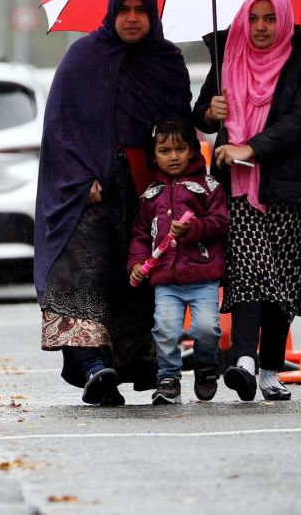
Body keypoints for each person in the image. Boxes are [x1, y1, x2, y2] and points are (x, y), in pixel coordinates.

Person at [35, 0, 192, 406]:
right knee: (84, 270)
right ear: (110, 12)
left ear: (153, 13)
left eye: (141, 10)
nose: (132, 18)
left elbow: (180, 129)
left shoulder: (167, 61)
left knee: (139, 274)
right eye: (124, 9)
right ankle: (92, 367)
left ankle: (139, 362)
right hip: (90, 190)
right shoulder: (83, 57)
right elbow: (59, 127)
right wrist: (78, 177)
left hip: (146, 190)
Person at [192, 0, 301, 402]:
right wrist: (209, 112)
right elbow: (198, 116)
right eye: (253, 18)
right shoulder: (227, 57)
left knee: (286, 282)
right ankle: (243, 363)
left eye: (270, 18)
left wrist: (252, 147)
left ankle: (270, 366)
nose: (260, 27)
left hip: (291, 187)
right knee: (250, 272)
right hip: (237, 188)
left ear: (285, 20)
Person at [128, 115, 229, 405]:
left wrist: (193, 229)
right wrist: (136, 262)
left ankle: (207, 365)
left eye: (180, 149)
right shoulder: (150, 195)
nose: (173, 157)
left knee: (207, 328)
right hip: (165, 279)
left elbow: (221, 222)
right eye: (164, 151)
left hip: (203, 276)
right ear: (154, 155)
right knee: (165, 328)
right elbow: (139, 235)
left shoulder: (208, 188)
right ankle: (168, 378)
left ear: (193, 150)